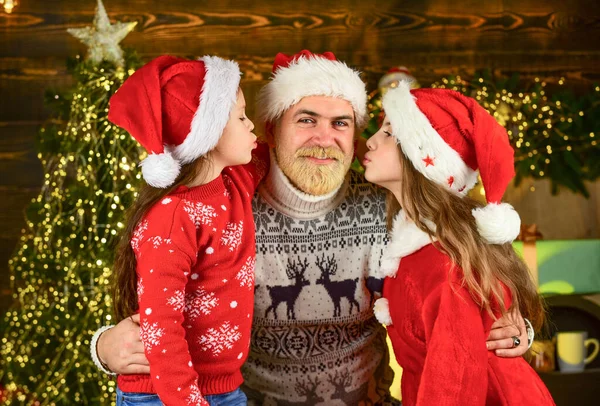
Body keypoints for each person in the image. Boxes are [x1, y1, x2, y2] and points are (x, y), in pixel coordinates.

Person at [92, 50, 533, 405]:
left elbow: (462, 265)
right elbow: (156, 303)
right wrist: (104, 348)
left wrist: (513, 327)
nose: (325, 138)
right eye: (306, 120)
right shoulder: (226, 199)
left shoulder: (386, 200)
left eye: (340, 123)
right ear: (271, 128)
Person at [365, 83, 554, 405]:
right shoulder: (418, 246)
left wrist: (516, 328)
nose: (369, 140)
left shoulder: (442, 264)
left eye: (389, 133)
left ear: (420, 159)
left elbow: (455, 385)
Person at [105, 55, 267, 405]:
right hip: (164, 395)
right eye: (240, 116)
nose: (252, 125)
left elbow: (284, 152)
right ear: (207, 133)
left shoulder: (234, 182)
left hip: (223, 388)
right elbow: (161, 326)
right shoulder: (172, 217)